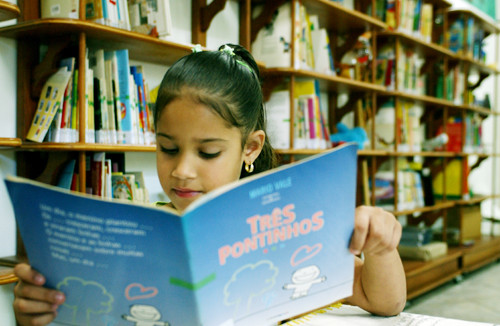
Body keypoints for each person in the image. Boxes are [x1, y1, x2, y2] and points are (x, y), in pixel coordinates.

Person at [12, 44, 406, 326]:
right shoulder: (141, 233)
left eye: (208, 153)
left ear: (249, 147)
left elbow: (384, 302)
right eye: (168, 148)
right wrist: (42, 313)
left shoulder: (286, 224)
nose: (182, 170)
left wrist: (382, 248)